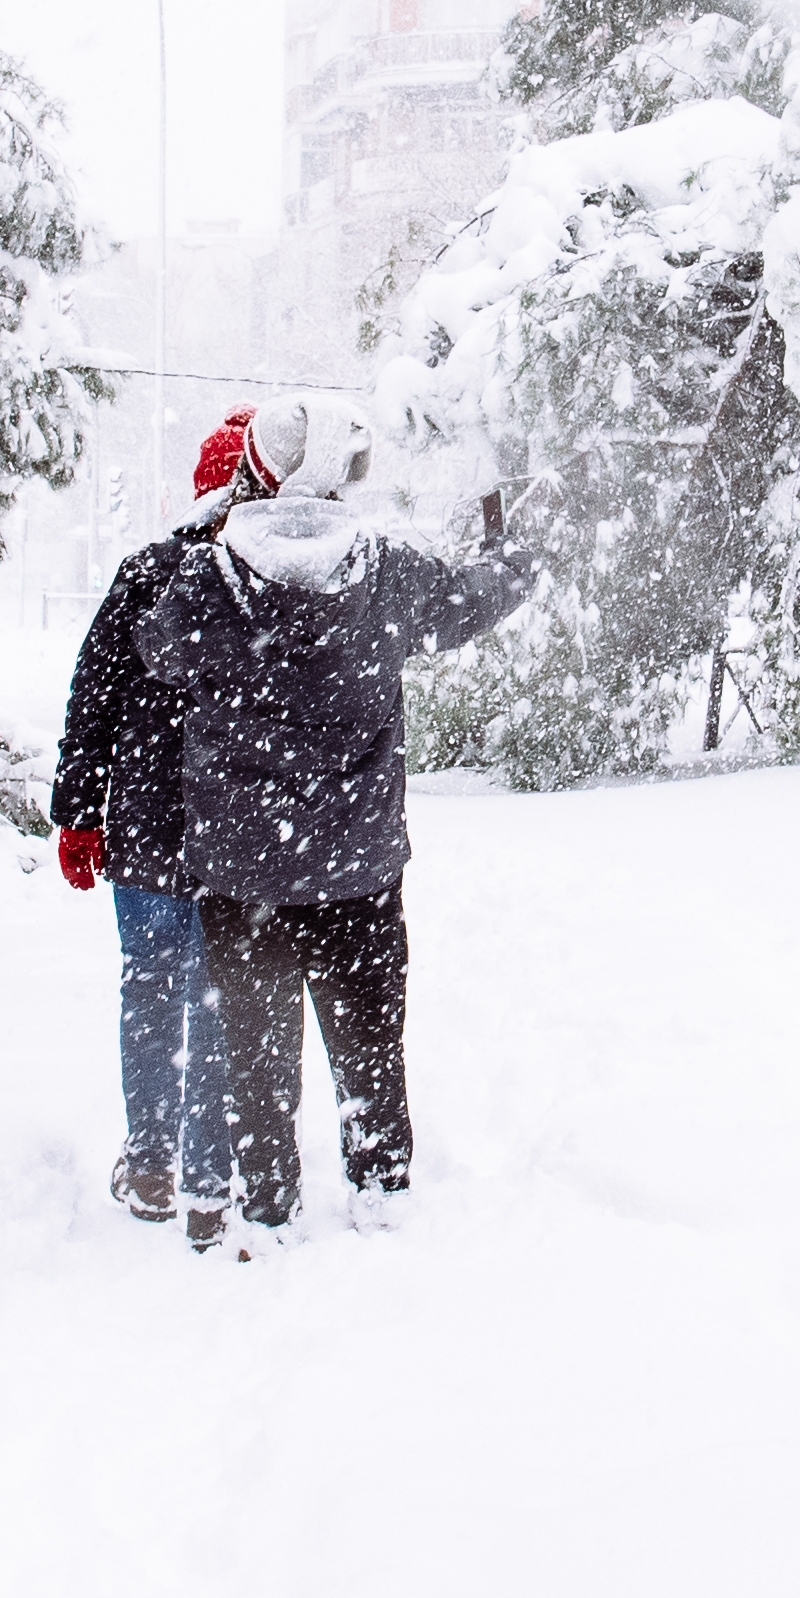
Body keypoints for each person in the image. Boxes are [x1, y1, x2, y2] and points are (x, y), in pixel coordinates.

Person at [124, 397, 536, 1226]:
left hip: (243, 876)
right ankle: (380, 1198)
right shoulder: (384, 571)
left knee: (257, 1065)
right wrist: (515, 559)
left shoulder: (206, 579)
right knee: (371, 1051)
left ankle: (268, 1211)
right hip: (358, 871)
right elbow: (469, 603)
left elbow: (156, 650)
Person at [52, 411, 252, 1239]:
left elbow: (91, 698)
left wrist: (78, 814)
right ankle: (206, 1176)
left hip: (143, 832)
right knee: (215, 1000)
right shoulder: (261, 581)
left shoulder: (147, 573)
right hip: (232, 841)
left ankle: (150, 1165)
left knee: (150, 992)